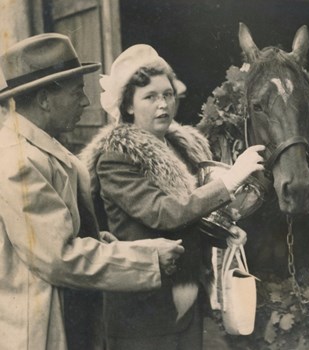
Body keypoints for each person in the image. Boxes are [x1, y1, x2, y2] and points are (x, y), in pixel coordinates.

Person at [0, 33, 187, 350]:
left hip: (68, 317)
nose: (86, 102)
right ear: (45, 99)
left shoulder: (45, 150)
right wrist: (149, 257)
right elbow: (59, 258)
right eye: (77, 93)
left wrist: (95, 239)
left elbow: (49, 235)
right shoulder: (18, 161)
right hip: (37, 331)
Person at [79, 44, 264, 350]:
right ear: (127, 107)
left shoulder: (181, 149)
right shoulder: (117, 157)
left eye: (167, 94)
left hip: (187, 306)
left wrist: (223, 233)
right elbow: (165, 213)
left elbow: (193, 217)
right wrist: (231, 179)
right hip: (142, 310)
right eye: (149, 97)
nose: (162, 104)